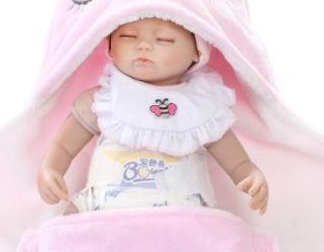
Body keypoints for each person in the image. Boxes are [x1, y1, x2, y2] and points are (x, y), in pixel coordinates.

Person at [37, 16, 269, 215]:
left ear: (197, 52)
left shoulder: (201, 109)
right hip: (101, 213)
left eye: (164, 39)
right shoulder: (104, 101)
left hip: (185, 220)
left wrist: (251, 176)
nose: (143, 45)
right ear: (109, 46)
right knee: (67, 231)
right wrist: (50, 170)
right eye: (128, 36)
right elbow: (63, 146)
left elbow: (239, 163)